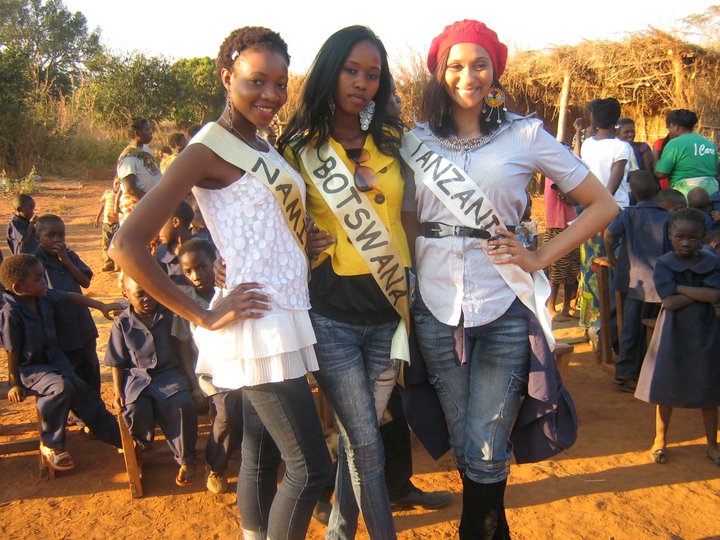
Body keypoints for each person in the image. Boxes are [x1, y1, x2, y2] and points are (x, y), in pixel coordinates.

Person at [109, 26, 332, 540]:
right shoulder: (207, 148)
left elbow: (257, 223)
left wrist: (303, 243)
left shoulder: (260, 143)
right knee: (310, 468)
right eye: (257, 81)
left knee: (261, 451)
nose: (271, 94)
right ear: (228, 77)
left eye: (281, 83)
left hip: (282, 311)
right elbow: (126, 244)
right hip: (260, 325)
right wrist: (204, 315)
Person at [401, 20, 618, 539]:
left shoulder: (525, 135)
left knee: (485, 438)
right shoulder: (414, 141)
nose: (468, 76)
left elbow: (602, 204)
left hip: (503, 304)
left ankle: (474, 531)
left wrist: (540, 257)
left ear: (495, 70)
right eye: (455, 65)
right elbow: (406, 216)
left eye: (480, 64)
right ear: (439, 72)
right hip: (435, 307)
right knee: (465, 436)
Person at [278, 26, 410, 539]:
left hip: (389, 312)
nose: (361, 83)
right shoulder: (297, 149)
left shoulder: (395, 142)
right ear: (330, 73)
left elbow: (412, 215)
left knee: (361, 438)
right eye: (351, 70)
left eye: (372, 75)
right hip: (331, 315)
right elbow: (278, 226)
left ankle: (338, 531)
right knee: (366, 439)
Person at [0, 253, 122, 471]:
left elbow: (71, 297)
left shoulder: (43, 297)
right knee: (61, 388)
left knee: (84, 392)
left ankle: (121, 438)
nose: (44, 282)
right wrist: (15, 383)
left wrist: (100, 306)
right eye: (38, 279)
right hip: (31, 369)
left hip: (56, 362)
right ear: (18, 288)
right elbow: (12, 350)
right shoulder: (11, 312)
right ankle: (51, 445)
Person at [634, 208, 720, 466]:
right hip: (672, 332)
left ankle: (712, 444)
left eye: (693, 238)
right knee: (666, 387)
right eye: (680, 237)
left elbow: (715, 295)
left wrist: (679, 288)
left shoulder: (712, 261)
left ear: (702, 238)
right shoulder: (664, 262)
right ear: (670, 235)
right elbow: (669, 303)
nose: (685, 242)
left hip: (704, 331)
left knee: (708, 388)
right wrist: (699, 292)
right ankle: (659, 440)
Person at [106, 273, 201, 486]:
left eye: (150, 292)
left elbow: (184, 351)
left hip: (170, 375)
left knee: (182, 404)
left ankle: (186, 459)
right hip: (138, 378)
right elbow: (117, 362)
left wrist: (193, 383)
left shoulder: (170, 315)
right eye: (140, 294)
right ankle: (140, 445)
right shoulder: (122, 324)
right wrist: (118, 392)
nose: (147, 298)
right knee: (134, 408)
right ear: (126, 295)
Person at [173, 238, 243, 494]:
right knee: (228, 413)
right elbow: (183, 345)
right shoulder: (185, 302)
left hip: (242, 364)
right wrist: (193, 384)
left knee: (249, 410)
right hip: (211, 373)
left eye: (202, 267)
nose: (196, 276)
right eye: (188, 271)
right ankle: (216, 466)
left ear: (215, 262)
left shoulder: (230, 291)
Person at [604, 171, 670, 392]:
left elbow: (608, 235)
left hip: (635, 284)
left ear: (632, 193)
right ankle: (652, 372)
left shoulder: (628, 214)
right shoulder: (667, 217)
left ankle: (625, 373)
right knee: (658, 329)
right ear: (657, 190)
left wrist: (611, 259)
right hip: (661, 283)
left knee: (631, 329)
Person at [574, 98, 630, 341]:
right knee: (613, 268)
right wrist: (603, 208)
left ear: (594, 119)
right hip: (614, 212)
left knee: (590, 268)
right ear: (616, 119)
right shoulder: (621, 147)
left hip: (589, 210)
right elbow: (613, 185)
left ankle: (591, 323)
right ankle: (608, 325)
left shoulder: (587, 145)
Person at [33, 214, 102, 394]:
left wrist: (67, 262)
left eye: (61, 235)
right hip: (58, 331)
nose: (57, 240)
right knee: (67, 378)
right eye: (51, 235)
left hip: (82, 327)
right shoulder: (34, 262)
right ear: (38, 238)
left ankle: (94, 407)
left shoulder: (69, 255)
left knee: (90, 372)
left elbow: (85, 282)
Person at [654, 109, 719, 197]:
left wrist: (655, 156)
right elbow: (717, 170)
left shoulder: (674, 144)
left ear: (675, 126)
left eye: (669, 128)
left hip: (687, 195)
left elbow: (660, 173)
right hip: (712, 194)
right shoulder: (708, 143)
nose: (669, 132)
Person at [543, 175, 579, 321]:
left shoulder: (561, 173)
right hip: (558, 225)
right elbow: (569, 196)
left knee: (571, 269)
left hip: (569, 224)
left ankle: (566, 307)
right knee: (557, 270)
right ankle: (551, 307)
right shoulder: (553, 174)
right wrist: (578, 197)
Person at [116, 117, 163, 223]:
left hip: (149, 204)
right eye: (147, 129)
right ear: (137, 133)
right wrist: (151, 202)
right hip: (136, 207)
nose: (151, 132)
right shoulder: (128, 159)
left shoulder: (145, 150)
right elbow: (130, 189)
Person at [155, 200, 194, 286]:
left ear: (176, 222)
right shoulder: (161, 255)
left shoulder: (202, 248)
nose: (157, 230)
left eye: (160, 224)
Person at [94, 177, 121, 272]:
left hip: (118, 223)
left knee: (116, 245)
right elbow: (102, 206)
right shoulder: (107, 192)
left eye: (120, 184)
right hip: (106, 223)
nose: (117, 185)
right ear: (113, 183)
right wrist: (97, 217)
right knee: (106, 245)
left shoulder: (122, 195)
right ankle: (108, 264)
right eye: (116, 183)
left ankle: (118, 265)